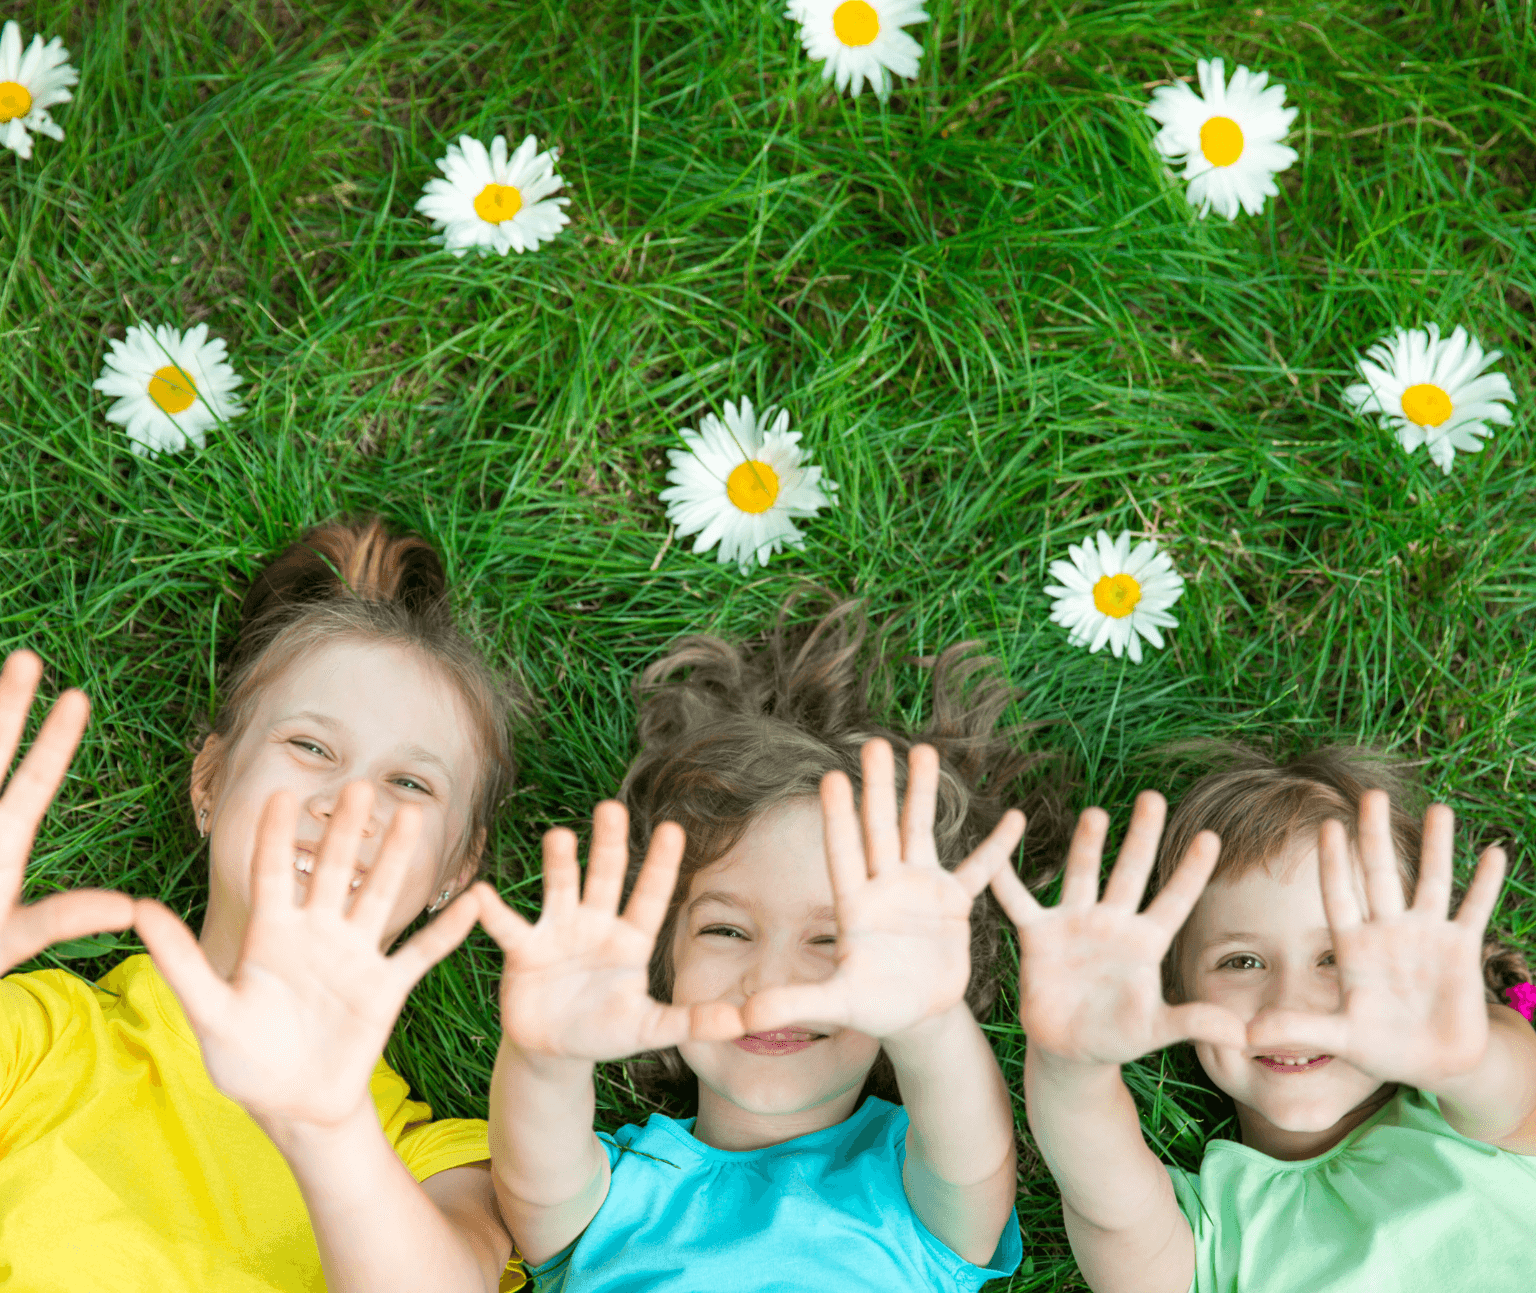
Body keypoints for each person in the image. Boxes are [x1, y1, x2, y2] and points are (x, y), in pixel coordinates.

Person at [471, 598, 1068, 1290]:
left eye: (833, 938)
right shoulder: (614, 1194)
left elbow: (976, 1155)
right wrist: (546, 1056)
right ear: (662, 960)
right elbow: (532, 1174)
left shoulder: (912, 1195)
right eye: (727, 929)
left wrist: (930, 1021)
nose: (773, 980)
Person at [0, 517, 527, 1292]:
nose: (351, 804)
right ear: (210, 781)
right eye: (311, 746)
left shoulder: (437, 1163)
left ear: (458, 866)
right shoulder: (41, 1035)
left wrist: (325, 1130)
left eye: (410, 783)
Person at [988, 745, 1536, 1293]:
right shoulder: (1212, 1228)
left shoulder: (1472, 1123)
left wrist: (1463, 1062)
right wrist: (1069, 1066)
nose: (1288, 1006)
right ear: (1173, 985)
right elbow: (1107, 1208)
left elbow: (1512, 1088)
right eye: (1242, 961)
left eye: (1337, 959)